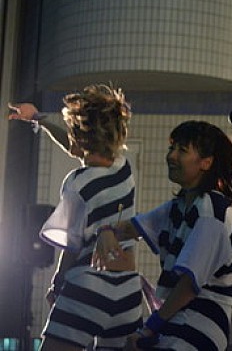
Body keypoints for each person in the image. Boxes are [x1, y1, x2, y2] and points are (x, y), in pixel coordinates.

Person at [93, 120, 232, 350]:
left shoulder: (211, 211)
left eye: (182, 150)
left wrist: (150, 326)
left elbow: (188, 286)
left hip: (201, 325)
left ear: (206, 162)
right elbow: (131, 227)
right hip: (178, 321)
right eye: (171, 148)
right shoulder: (179, 206)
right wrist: (105, 231)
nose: (171, 156)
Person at [9, 85, 142, 351]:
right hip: (128, 292)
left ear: (81, 138)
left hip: (89, 285)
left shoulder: (77, 184)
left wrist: (58, 282)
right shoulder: (124, 168)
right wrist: (38, 119)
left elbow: (71, 244)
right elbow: (74, 147)